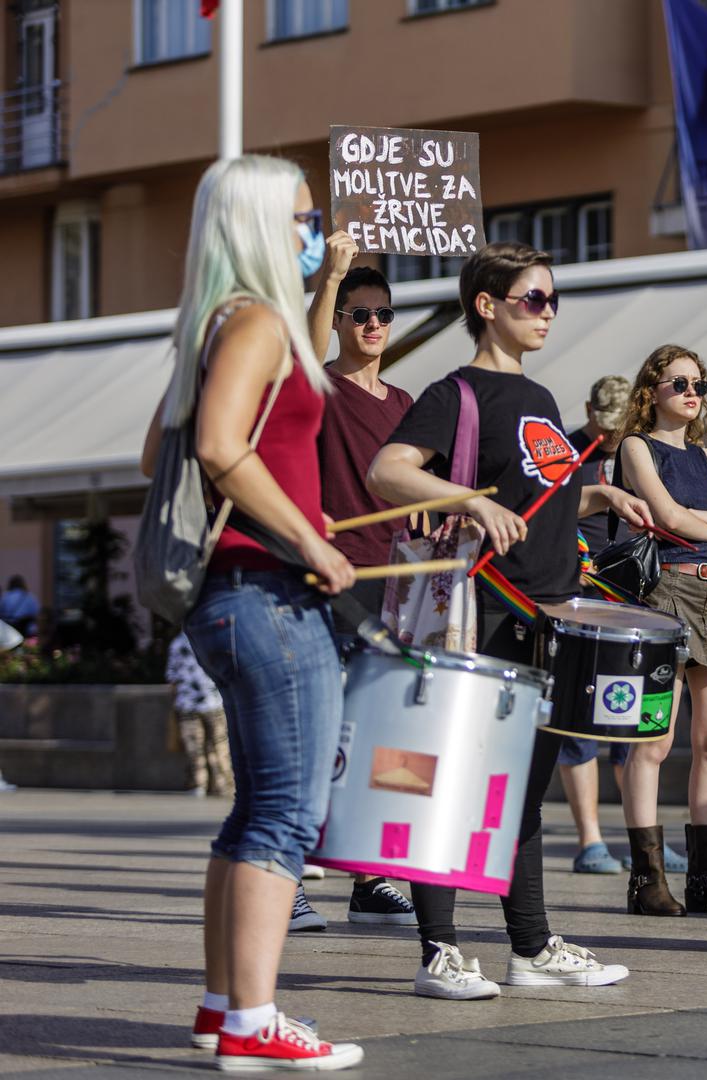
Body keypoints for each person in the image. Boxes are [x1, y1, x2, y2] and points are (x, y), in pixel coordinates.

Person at [368, 241, 648, 999]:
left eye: (554, 299)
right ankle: (440, 952)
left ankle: (530, 945)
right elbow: (388, 468)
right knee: (455, 781)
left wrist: (599, 496)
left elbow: (539, 497)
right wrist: (472, 503)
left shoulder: (543, 400)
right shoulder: (455, 393)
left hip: (548, 614)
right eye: (534, 299)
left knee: (524, 789)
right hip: (482, 612)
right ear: (487, 306)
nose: (548, 312)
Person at [139, 154, 363, 1069]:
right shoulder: (257, 322)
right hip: (266, 591)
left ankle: (223, 1005)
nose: (316, 230)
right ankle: (253, 1022)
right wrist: (309, 539)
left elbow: (157, 446)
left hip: (229, 597)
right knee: (285, 813)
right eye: (306, 217)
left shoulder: (218, 325)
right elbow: (226, 449)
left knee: (253, 812)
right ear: (266, 225)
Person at [614, 344, 707, 917]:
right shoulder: (635, 447)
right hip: (665, 589)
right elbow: (666, 519)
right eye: (679, 382)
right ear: (651, 390)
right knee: (654, 741)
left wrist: (705, 527)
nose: (692, 392)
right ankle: (647, 878)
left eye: (698, 383)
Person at [303, 259, 419, 929]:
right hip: (333, 578)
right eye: (360, 314)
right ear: (340, 321)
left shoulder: (405, 405)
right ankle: (289, 873)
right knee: (321, 737)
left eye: (384, 314)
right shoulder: (317, 388)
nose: (374, 325)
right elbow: (304, 358)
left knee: (382, 739)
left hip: (396, 585)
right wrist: (331, 278)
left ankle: (371, 878)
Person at [560, 375, 668, 875]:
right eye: (602, 426)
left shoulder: (637, 450)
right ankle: (590, 840)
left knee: (632, 719)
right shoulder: (563, 450)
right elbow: (548, 515)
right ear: (588, 411)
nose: (608, 436)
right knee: (580, 722)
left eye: (617, 428)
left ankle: (642, 836)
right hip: (579, 592)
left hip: (630, 593)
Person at [166, 632, 234, 798]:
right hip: (214, 701)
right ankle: (222, 784)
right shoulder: (212, 638)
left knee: (194, 748)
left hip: (187, 703)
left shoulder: (177, 643)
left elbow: (172, 677)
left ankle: (199, 784)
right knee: (219, 746)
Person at [0, 575, 40, 639]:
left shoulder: (5, 596)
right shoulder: (30, 597)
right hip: (25, 629)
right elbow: (36, 612)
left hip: (9, 628)